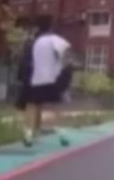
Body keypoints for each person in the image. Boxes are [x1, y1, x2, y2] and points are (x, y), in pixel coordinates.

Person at [16, 15, 72, 147]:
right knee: (53, 108)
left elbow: (27, 62)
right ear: (51, 26)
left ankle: (28, 134)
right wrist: (64, 72)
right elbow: (67, 57)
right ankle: (61, 134)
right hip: (52, 79)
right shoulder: (55, 40)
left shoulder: (33, 42)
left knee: (32, 106)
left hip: (36, 79)